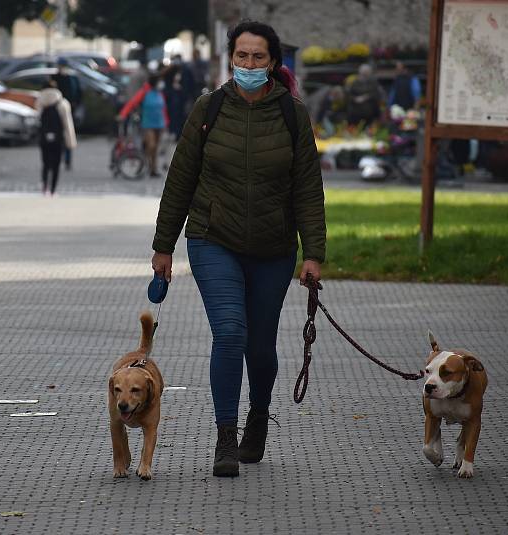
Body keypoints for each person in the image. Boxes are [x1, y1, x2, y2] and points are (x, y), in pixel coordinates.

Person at [150, 20, 326, 477]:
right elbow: (181, 179)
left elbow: (308, 187)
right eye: (242, 56)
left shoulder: (291, 114)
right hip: (213, 238)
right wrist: (163, 246)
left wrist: (314, 253)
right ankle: (225, 437)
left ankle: (258, 417)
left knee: (261, 346)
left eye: (258, 57)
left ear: (273, 63)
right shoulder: (209, 108)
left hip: (273, 246)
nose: (249, 64)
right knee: (230, 332)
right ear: (231, 58)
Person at [118, 74, 170, 177]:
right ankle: (146, 164)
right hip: (148, 124)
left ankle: (153, 169)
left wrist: (166, 123)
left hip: (159, 124)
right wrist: (123, 114)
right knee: (151, 145)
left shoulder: (160, 93)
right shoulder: (144, 92)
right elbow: (132, 103)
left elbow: (163, 109)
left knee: (155, 148)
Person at [35, 80, 76, 196]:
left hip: (44, 137)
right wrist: (71, 142)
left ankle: (44, 187)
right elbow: (67, 124)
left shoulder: (39, 101)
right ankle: (53, 190)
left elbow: (36, 119)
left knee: (45, 163)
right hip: (58, 138)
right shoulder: (63, 103)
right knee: (56, 165)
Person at [53, 58, 82, 170]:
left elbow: (78, 94)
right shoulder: (56, 77)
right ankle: (60, 158)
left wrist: (74, 104)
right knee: (60, 136)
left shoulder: (71, 78)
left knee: (68, 135)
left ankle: (67, 160)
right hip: (58, 111)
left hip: (68, 111)